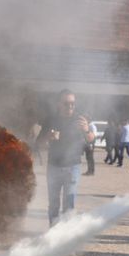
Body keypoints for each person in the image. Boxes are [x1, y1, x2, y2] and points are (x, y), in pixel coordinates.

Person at [36, 89, 96, 227]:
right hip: (53, 166)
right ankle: (53, 232)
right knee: (53, 203)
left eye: (72, 103)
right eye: (66, 103)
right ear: (59, 104)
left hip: (73, 166)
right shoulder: (51, 120)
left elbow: (91, 139)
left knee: (69, 203)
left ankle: (65, 236)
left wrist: (86, 130)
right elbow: (39, 143)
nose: (70, 106)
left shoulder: (79, 119)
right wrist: (48, 137)